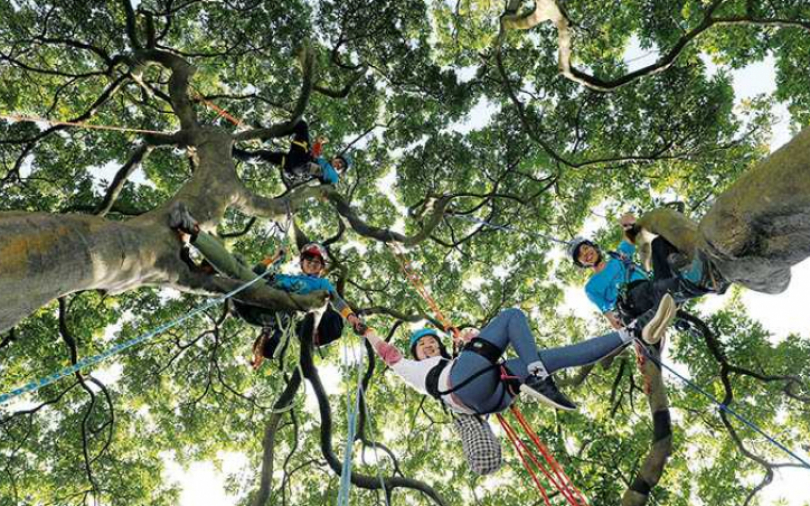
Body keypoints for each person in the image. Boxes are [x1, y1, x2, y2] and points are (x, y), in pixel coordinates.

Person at [360, 303, 675, 474]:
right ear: (415, 354)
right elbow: (387, 352)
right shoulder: (412, 370)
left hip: (495, 392)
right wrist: (365, 330)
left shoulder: (456, 357)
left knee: (552, 357)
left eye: (431, 342)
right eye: (423, 345)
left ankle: (631, 334)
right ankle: (536, 374)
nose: (428, 346)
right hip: (465, 388)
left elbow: (475, 351)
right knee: (511, 316)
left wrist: (470, 339)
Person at [168, 203, 364, 369]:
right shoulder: (286, 276)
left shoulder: (322, 284)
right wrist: (275, 258)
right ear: (302, 263)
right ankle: (192, 243)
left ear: (322, 267)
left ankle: (191, 233)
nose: (313, 262)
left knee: (234, 273)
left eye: (317, 261)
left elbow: (337, 302)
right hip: (261, 292)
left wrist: (352, 318)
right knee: (237, 264)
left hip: (276, 308)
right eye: (309, 259)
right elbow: (257, 272)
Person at [569, 210, 726, 329]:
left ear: (593, 247)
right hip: (632, 304)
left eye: (585, 248)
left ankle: (692, 272)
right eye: (581, 256)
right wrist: (625, 328)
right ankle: (699, 281)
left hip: (653, 288)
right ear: (582, 264)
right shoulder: (591, 287)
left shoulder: (618, 258)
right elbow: (610, 316)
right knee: (651, 290)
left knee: (658, 243)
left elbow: (630, 236)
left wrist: (627, 223)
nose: (585, 254)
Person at [232, 119, 352, 185]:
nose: (338, 164)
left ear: (339, 173)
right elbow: (314, 155)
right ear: (336, 158)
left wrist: (327, 195)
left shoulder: (333, 178)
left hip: (301, 165)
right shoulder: (322, 162)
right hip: (291, 164)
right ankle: (233, 152)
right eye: (340, 161)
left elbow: (328, 187)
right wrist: (319, 143)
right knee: (261, 156)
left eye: (340, 167)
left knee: (302, 126)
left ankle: (267, 136)